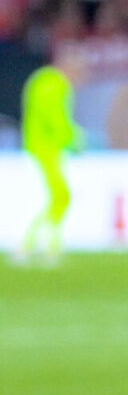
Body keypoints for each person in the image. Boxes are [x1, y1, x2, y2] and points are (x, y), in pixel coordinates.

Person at [17, 59, 83, 267]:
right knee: (61, 196)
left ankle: (36, 245)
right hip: (46, 147)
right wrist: (72, 140)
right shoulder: (56, 84)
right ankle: (39, 245)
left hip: (36, 144)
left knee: (58, 197)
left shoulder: (41, 79)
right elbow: (55, 117)